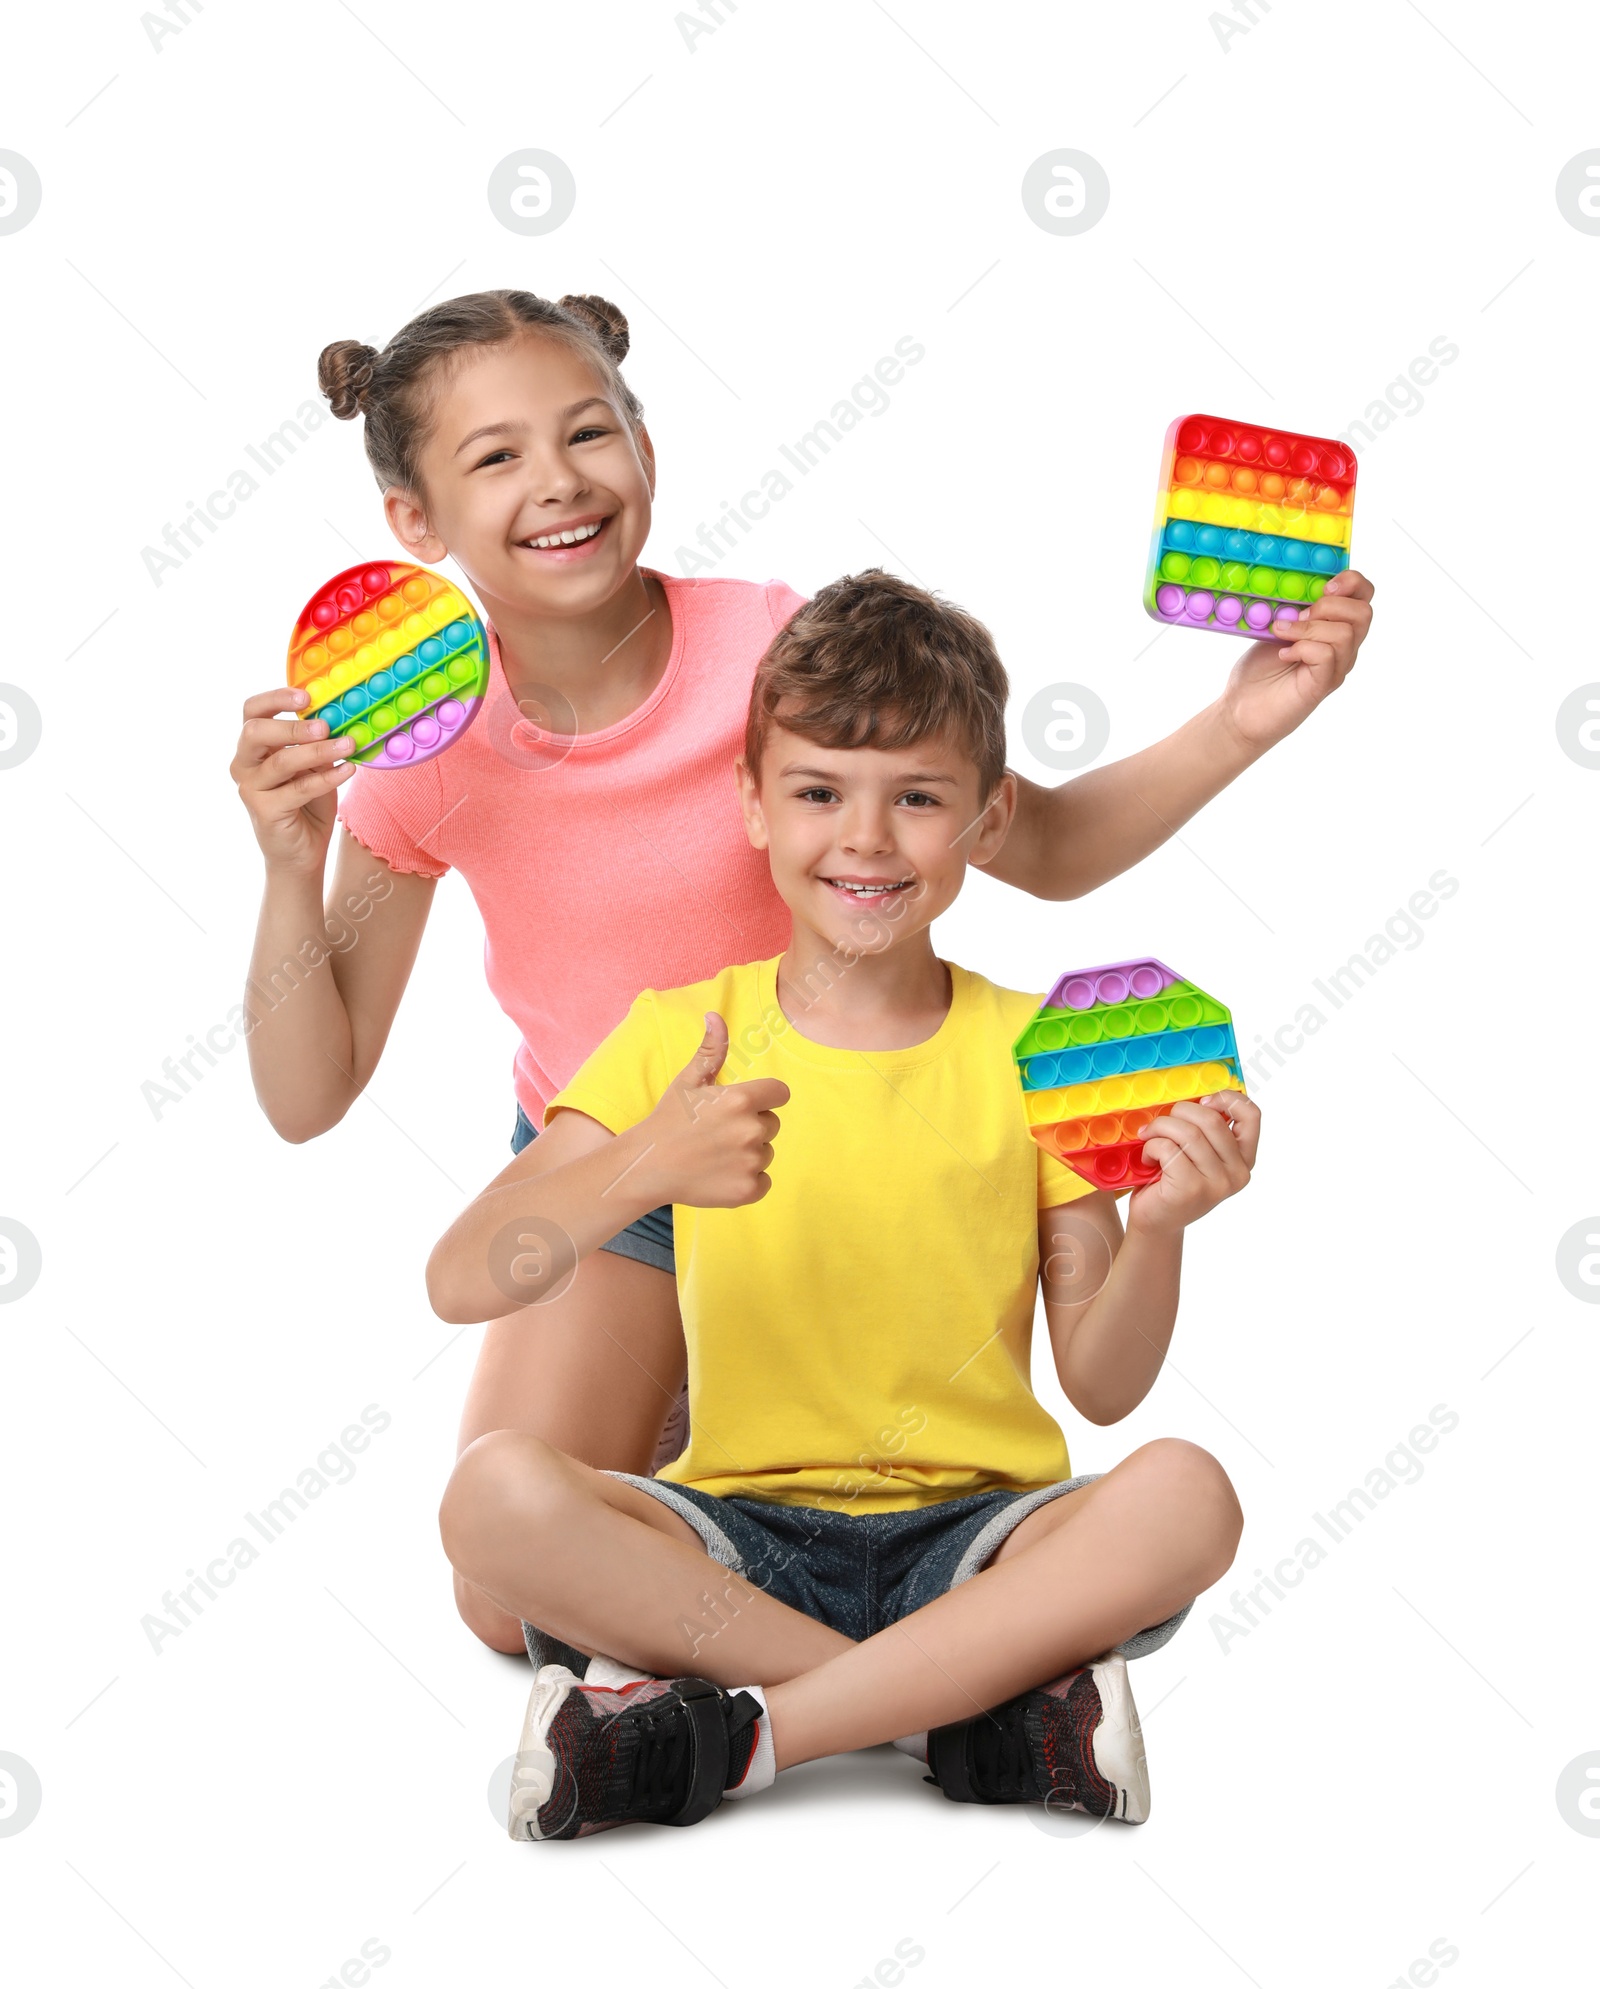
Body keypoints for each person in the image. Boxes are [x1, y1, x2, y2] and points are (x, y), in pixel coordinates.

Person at [228, 289, 1365, 1656]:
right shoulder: (421, 747)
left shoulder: (769, 650)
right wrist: (293, 866)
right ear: (415, 522)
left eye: (590, 432)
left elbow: (1043, 846)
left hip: (875, 1158)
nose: (559, 482)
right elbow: (311, 1094)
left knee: (711, 1529)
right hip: (623, 1174)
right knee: (503, 1599)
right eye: (495, 458)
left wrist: (1244, 721)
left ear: (645, 446)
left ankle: (788, 1602)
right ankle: (901, 1659)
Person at [430, 571, 1257, 1840]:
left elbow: (1101, 1382)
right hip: (734, 1540)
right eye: (819, 792)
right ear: (752, 808)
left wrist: (1163, 1229)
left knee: (1189, 1493)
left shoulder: (1050, 1050)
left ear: (985, 823)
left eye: (917, 800)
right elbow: (463, 1275)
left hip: (979, 1542)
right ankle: (946, 1714)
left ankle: (742, 1733)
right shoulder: (677, 1039)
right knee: (491, 1498)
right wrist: (642, 1167)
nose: (866, 840)